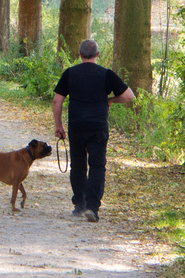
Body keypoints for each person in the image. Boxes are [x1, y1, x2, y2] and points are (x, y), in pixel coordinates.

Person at [52, 39, 135, 222]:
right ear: (98, 55)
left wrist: (58, 126)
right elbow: (129, 96)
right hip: (98, 126)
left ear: (79, 55)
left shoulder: (70, 73)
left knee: (78, 165)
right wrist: (111, 100)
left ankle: (80, 204)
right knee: (97, 166)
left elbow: (57, 100)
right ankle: (92, 207)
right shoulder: (106, 75)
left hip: (76, 125)